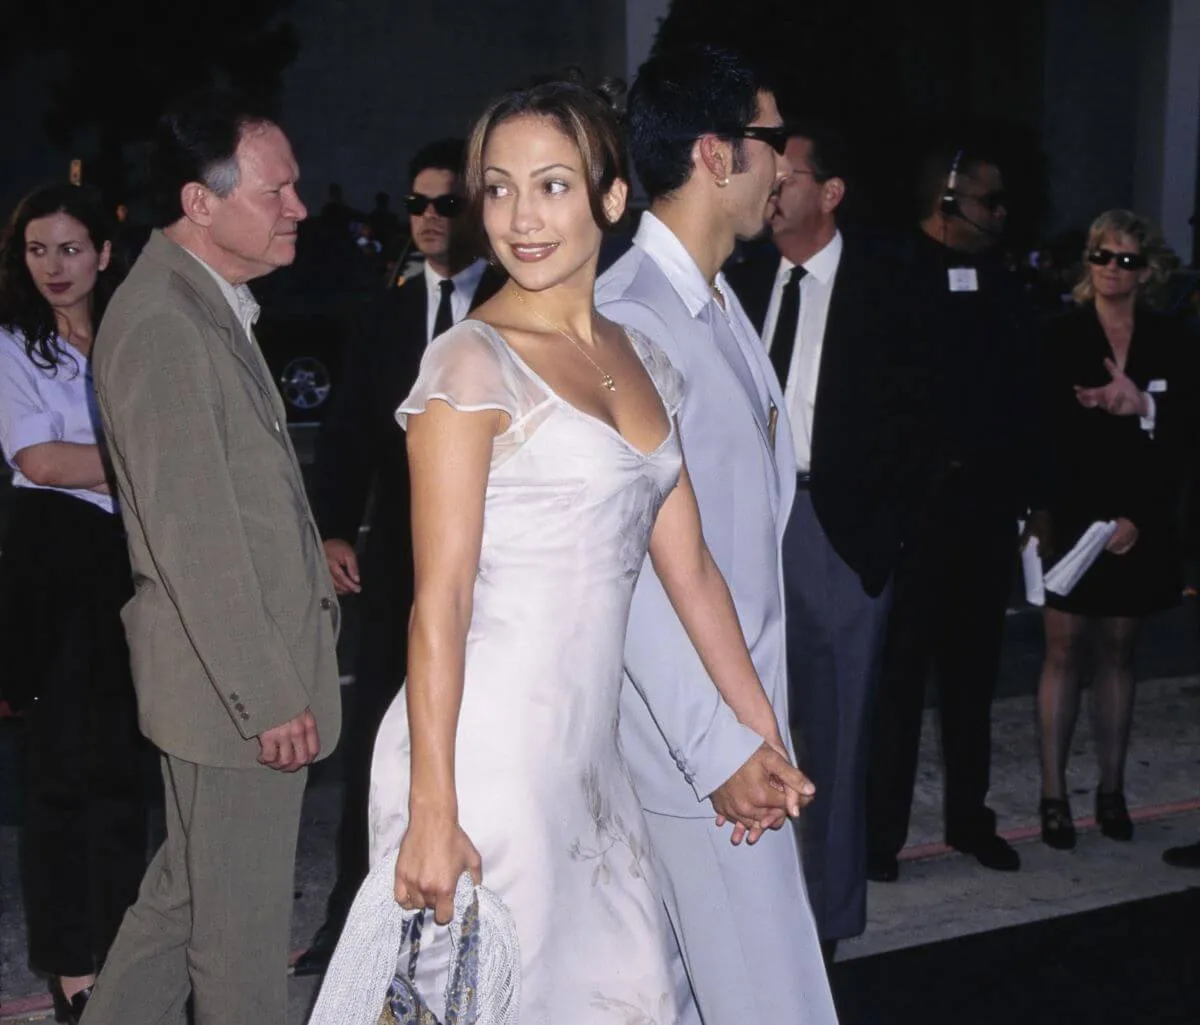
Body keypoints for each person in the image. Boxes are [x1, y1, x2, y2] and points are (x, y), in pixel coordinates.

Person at [352, 77, 815, 1024]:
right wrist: (433, 808)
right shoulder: (468, 363)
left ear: (611, 198)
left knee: (628, 997)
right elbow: (436, 601)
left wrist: (759, 733)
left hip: (591, 765)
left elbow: (691, 574)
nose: (522, 217)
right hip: (481, 760)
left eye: (553, 185)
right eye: (499, 187)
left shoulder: (645, 359)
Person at [79, 94, 342, 1025]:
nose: (299, 206)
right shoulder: (164, 323)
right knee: (237, 941)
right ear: (201, 201)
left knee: (184, 899)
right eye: (278, 190)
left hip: (228, 680)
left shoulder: (198, 303)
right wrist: (267, 693)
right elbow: (197, 540)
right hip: (236, 690)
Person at [596, 46, 838, 1023]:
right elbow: (633, 572)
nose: (785, 163)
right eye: (772, 140)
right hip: (692, 756)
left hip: (740, 736)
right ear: (715, 154)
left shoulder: (720, 301)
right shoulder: (626, 319)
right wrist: (722, 749)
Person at [295, 138, 504, 977]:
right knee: (382, 733)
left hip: (496, 560)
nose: (426, 218)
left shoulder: (509, 301)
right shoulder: (382, 311)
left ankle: (473, 911)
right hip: (398, 565)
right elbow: (347, 434)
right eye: (416, 203)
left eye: (445, 204)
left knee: (482, 733)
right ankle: (358, 909)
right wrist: (334, 528)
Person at [725, 121, 929, 959]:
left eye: (790, 174)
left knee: (835, 738)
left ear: (831, 192)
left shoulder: (888, 284)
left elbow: (925, 421)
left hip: (838, 534)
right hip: (746, 528)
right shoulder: (738, 277)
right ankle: (750, 911)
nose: (773, 187)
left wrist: (879, 545)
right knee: (747, 725)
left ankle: (826, 922)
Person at [866, 144, 1041, 880]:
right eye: (988, 200)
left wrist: (1030, 500)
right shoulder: (892, 277)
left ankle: (970, 819)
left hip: (984, 518)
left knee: (973, 681)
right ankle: (879, 838)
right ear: (948, 199)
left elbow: (1027, 398)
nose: (1000, 214)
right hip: (915, 521)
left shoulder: (1004, 285)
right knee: (899, 688)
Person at [0, 184, 143, 1025]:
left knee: (124, 765)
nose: (54, 266)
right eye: (36, 250)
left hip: (131, 559)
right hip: (55, 560)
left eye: (69, 248)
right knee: (62, 770)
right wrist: (146, 461)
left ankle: (129, 947)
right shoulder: (15, 345)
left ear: (104, 254)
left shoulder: (130, 337)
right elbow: (43, 462)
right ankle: (71, 966)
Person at [1031, 210, 1192, 849]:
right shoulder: (1059, 333)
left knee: (1119, 650)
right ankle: (1052, 798)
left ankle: (1112, 790)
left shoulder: (1173, 338)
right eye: (1101, 255)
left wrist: (1142, 406)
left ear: (1146, 270)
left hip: (1139, 513)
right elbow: (1038, 430)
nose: (1110, 269)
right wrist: (1037, 513)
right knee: (1063, 649)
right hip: (1072, 512)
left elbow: (1185, 435)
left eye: (1125, 259)